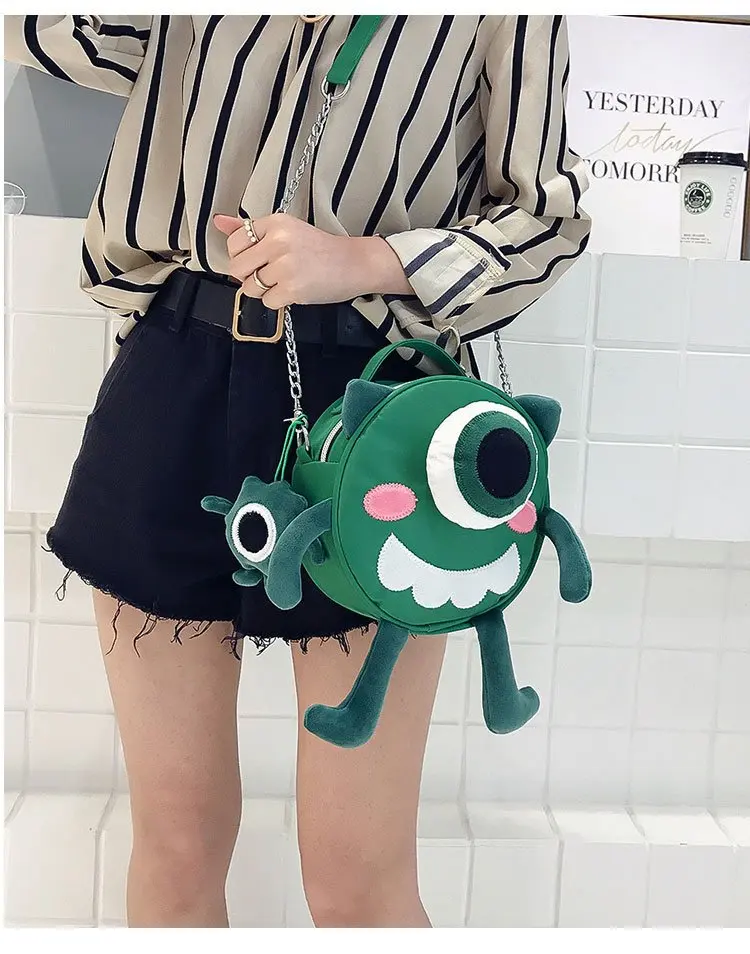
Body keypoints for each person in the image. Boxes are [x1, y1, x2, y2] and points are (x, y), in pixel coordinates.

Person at [5, 14, 590, 928]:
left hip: (375, 408)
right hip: (177, 371)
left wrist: (365, 259)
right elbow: (64, 35)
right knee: (175, 843)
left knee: (357, 875)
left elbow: (547, 219)